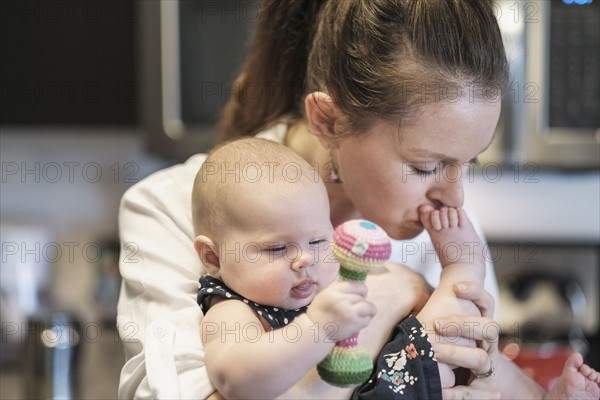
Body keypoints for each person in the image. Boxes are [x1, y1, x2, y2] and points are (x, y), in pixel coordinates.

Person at [116, 0, 597, 398]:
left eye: (468, 162)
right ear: (328, 120)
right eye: (425, 166)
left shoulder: (446, 230)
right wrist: (389, 298)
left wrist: (486, 374)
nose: (454, 196)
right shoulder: (170, 209)